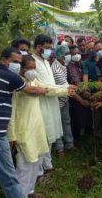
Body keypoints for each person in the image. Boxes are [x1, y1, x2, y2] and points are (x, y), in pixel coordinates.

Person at [0, 47, 47, 198]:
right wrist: (44, 90)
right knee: (9, 178)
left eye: (19, 62)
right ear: (3, 60)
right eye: (14, 62)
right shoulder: (9, 76)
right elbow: (31, 91)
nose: (17, 66)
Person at [7, 55, 75, 198]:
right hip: (23, 131)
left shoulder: (33, 81)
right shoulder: (16, 85)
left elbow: (47, 88)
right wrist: (11, 136)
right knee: (24, 166)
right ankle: (21, 195)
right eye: (28, 68)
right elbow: (11, 114)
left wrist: (65, 89)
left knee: (36, 162)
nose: (31, 71)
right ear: (21, 68)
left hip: (37, 127)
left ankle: (30, 191)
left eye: (34, 68)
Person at [32, 34, 63, 175]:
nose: (50, 51)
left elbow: (51, 83)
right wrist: (63, 90)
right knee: (42, 135)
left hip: (52, 100)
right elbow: (42, 86)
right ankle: (38, 171)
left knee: (50, 134)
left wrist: (65, 88)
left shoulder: (45, 61)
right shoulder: (32, 63)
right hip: (41, 102)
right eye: (48, 48)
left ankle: (48, 165)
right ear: (38, 47)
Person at [51, 44, 83, 158]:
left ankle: (69, 143)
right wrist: (82, 100)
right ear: (59, 55)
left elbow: (66, 85)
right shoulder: (55, 69)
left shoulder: (62, 64)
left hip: (64, 99)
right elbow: (66, 88)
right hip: (57, 101)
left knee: (66, 121)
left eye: (68, 54)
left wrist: (78, 87)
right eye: (66, 54)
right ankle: (60, 148)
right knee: (58, 124)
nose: (68, 56)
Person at [67, 44, 92, 142]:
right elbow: (71, 84)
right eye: (74, 54)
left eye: (78, 53)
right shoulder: (68, 67)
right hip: (75, 97)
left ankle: (87, 135)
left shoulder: (82, 64)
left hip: (85, 95)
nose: (76, 55)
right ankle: (75, 139)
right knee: (75, 118)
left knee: (86, 116)